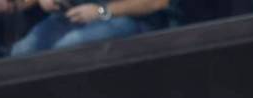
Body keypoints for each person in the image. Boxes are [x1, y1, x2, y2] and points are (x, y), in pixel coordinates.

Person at [11, 0, 171, 56]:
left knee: (66, 48)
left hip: (130, 19)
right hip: (76, 16)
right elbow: (22, 3)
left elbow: (157, 2)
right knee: (22, 52)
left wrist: (100, 11)